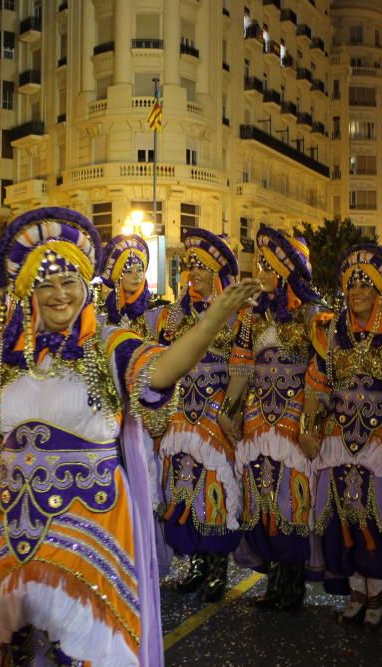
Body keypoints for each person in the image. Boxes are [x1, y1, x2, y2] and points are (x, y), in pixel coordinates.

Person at [0, 207, 260, 666]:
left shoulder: (108, 346)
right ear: (27, 291)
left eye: (69, 282)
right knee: (16, 645)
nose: (58, 295)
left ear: (86, 288)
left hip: (91, 535)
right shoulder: (1, 360)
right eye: (45, 284)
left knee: (84, 649)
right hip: (16, 533)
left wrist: (213, 321)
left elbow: (164, 369)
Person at [220, 225, 326, 612]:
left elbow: (320, 373)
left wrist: (309, 425)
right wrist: (228, 411)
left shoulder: (313, 315)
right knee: (261, 500)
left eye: (267, 265)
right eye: (259, 264)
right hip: (256, 421)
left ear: (288, 269)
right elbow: (240, 366)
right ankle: (275, 583)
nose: (260, 271)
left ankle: (293, 585)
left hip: (292, 424)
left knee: (291, 502)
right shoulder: (250, 317)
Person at [304, 244, 382, 627]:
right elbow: (316, 387)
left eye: (366, 285)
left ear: (380, 292)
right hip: (336, 442)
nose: (357, 292)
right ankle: (355, 590)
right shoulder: (330, 338)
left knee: (376, 522)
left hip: (378, 445)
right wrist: (307, 429)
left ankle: (377, 595)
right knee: (340, 521)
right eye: (352, 286)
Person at [154, 229, 242, 602]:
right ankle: (195, 567)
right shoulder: (171, 315)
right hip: (180, 416)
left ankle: (217, 571)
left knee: (215, 492)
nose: (195, 275)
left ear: (216, 274)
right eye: (191, 268)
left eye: (202, 270)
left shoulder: (235, 315)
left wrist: (227, 411)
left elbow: (242, 367)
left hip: (213, 414)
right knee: (183, 490)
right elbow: (158, 360)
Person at [100, 234, 162, 338]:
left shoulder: (158, 312)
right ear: (117, 277)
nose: (136, 276)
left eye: (140, 270)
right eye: (129, 271)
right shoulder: (104, 315)